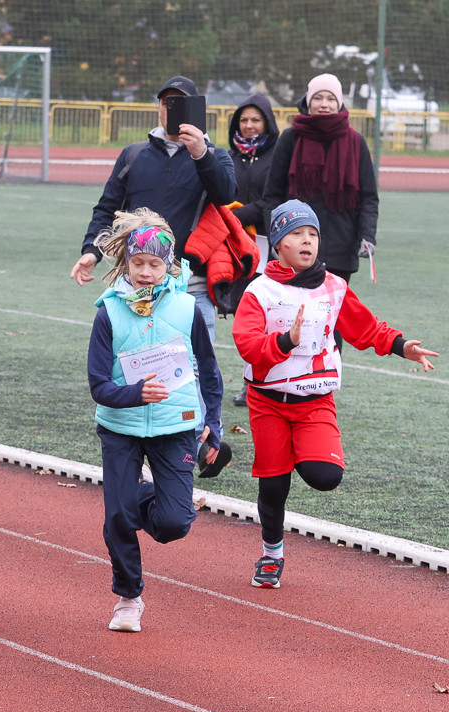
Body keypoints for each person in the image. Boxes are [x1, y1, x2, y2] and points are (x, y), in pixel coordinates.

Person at [232, 200, 437, 589]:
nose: (307, 241)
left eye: (312, 234)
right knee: (273, 487)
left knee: (325, 476)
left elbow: (366, 328)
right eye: (296, 234)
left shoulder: (334, 287)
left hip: (315, 402)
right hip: (268, 403)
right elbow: (247, 345)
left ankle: (298, 450)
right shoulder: (258, 291)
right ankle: (272, 554)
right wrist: (285, 341)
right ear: (277, 244)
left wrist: (401, 345)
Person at [71, 74, 236, 470]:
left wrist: (201, 154)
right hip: (136, 287)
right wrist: (92, 251)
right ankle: (146, 447)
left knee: (195, 366)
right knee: (137, 364)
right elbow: (107, 207)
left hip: (188, 286)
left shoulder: (215, 156)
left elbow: (228, 193)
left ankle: (205, 440)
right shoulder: (133, 155)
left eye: (180, 104)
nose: (171, 110)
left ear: (198, 110)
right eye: (165, 102)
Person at [86, 208, 224, 632]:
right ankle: (129, 598)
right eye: (138, 263)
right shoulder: (108, 314)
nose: (146, 272)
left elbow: (210, 370)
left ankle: (136, 495)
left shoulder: (186, 309)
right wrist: (134, 394)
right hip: (120, 427)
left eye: (155, 264)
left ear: (170, 264)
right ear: (125, 262)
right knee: (119, 517)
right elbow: (98, 386)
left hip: (176, 427)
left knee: (173, 524)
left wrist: (212, 424)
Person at [262, 74, 379, 284]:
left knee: (333, 314)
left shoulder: (356, 142)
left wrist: (367, 236)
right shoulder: (290, 139)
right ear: (308, 102)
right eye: (317, 98)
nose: (324, 104)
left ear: (339, 103)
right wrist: (276, 237)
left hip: (340, 251)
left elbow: (368, 198)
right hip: (295, 250)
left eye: (330, 99)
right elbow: (272, 195)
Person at [227, 93, 280, 406]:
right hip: (237, 248)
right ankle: (252, 378)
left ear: (267, 122)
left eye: (255, 119)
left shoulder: (277, 156)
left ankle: (260, 384)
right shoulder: (229, 155)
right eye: (244, 120)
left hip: (268, 246)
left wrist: (237, 215)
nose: (248, 126)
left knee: (268, 315)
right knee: (243, 315)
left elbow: (272, 200)